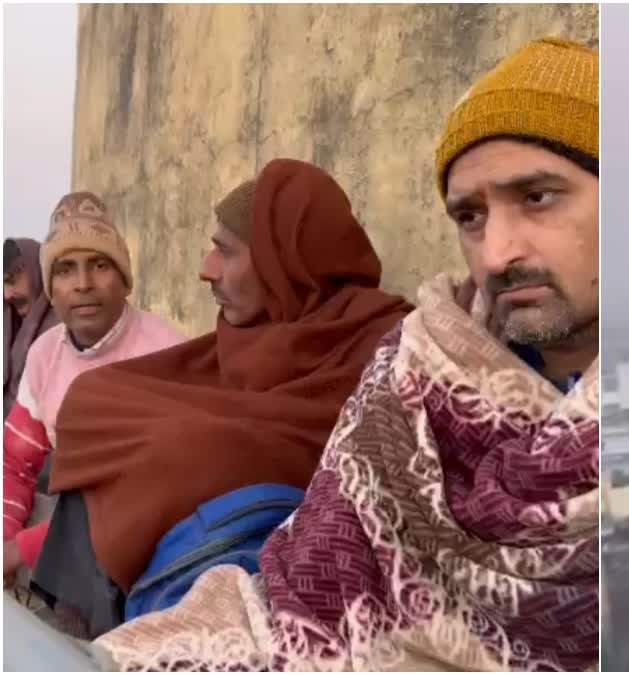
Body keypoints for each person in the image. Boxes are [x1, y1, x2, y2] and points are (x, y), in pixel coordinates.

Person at [89, 36, 599, 672]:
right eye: (469, 216)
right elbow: (312, 576)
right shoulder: (416, 366)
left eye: (538, 197)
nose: (496, 253)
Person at [30, 159, 414, 639]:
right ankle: (80, 622)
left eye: (226, 252)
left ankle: (97, 628)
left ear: (285, 263)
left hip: (260, 548)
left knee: (180, 447)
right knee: (99, 400)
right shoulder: (249, 331)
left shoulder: (382, 343)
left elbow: (328, 457)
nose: (206, 270)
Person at [3, 193, 186, 588]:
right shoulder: (45, 353)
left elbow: (147, 496)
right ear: (50, 285)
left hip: (146, 550)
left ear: (123, 276)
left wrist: (22, 550)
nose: (83, 284)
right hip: (65, 532)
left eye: (100, 265)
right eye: (66, 269)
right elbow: (16, 463)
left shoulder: (164, 354)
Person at [4, 238, 60, 417]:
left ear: (37, 272)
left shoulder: (64, 328)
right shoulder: (9, 325)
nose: (7, 294)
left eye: (11, 280)